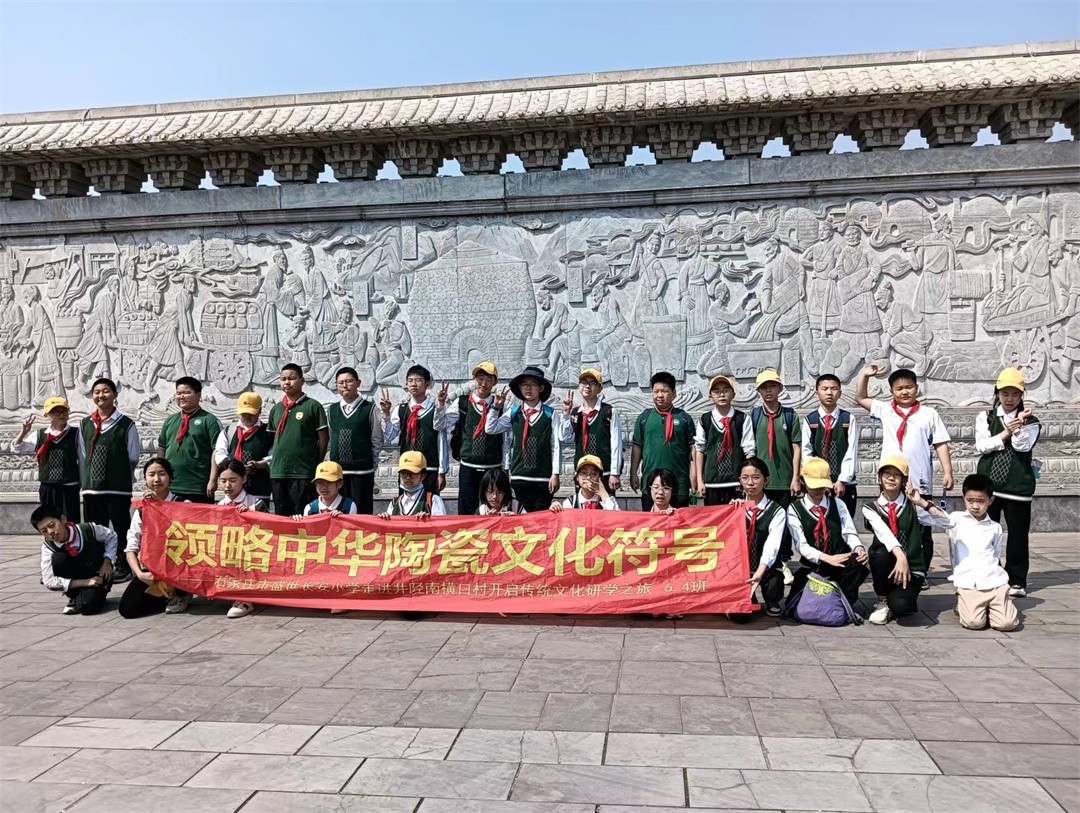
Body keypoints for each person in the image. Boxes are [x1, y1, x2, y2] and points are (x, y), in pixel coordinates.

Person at [856, 364, 954, 586]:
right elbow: (861, 398)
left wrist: (947, 471)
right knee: (889, 524)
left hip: (919, 481)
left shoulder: (929, 414)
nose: (904, 392)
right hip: (891, 481)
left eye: (908, 387)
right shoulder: (885, 410)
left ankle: (920, 571)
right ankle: (890, 567)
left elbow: (940, 443)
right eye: (899, 388)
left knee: (921, 530)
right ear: (891, 391)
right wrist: (865, 375)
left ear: (917, 388)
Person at [975, 367, 1040, 598]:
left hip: (1017, 488)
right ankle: (989, 574)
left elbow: (1023, 447)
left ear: (1022, 395)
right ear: (997, 393)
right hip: (988, 487)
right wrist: (1006, 433)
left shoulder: (1031, 421)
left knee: (1018, 536)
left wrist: (1019, 426)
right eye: (1005, 393)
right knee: (986, 533)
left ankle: (1017, 580)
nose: (1010, 399)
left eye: (1015, 394)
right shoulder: (986, 417)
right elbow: (983, 446)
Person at [862, 456, 950, 625]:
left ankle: (896, 598)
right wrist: (901, 557)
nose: (891, 478)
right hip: (886, 565)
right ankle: (882, 601)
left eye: (897, 474)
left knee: (902, 608)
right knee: (881, 554)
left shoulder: (913, 506)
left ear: (904, 480)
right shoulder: (871, 508)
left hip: (912, 568)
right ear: (879, 477)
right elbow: (885, 534)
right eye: (887, 473)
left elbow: (948, 523)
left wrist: (921, 502)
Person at [786, 457, 869, 607]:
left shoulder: (838, 504)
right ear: (802, 481)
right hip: (813, 565)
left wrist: (858, 548)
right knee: (795, 606)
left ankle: (844, 604)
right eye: (814, 485)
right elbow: (801, 545)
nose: (818, 489)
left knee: (857, 562)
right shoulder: (795, 509)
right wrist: (827, 558)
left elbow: (849, 532)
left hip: (841, 562)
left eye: (822, 485)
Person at [79, 377, 140, 583]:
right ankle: (97, 565)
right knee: (94, 530)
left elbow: (133, 456)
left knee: (122, 528)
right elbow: (82, 455)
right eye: (97, 392)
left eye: (106, 391)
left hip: (117, 489)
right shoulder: (85, 424)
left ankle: (124, 566)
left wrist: (120, 475)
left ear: (115, 395)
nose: (101, 395)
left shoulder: (126, 424)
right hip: (92, 489)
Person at [945, 474, 1020, 631]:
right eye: (970, 500)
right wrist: (922, 503)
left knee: (1006, 624)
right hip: (968, 582)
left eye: (980, 501)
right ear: (963, 498)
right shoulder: (956, 519)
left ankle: (998, 603)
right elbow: (937, 518)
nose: (975, 506)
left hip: (993, 581)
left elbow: (996, 554)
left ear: (990, 501)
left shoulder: (995, 527)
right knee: (974, 623)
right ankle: (963, 600)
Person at [484, 366, 562, 512]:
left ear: (541, 388)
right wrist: (495, 407)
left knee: (541, 519)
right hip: (519, 477)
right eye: (524, 384)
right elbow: (490, 428)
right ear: (520, 388)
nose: (528, 388)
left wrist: (555, 473)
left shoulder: (550, 414)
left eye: (532, 384)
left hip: (543, 478)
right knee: (522, 519)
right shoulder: (514, 412)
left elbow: (556, 445)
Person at [119, 457, 190, 618]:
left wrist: (159, 507)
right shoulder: (141, 510)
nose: (157, 479)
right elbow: (131, 547)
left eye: (162, 474)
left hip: (178, 567)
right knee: (127, 609)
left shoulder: (184, 504)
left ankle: (182, 593)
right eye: (151, 475)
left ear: (170, 477)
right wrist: (139, 573)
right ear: (145, 479)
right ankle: (166, 597)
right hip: (152, 570)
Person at [30, 504, 116, 616]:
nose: (50, 532)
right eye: (44, 531)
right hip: (78, 581)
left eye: (52, 525)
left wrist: (107, 562)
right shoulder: (48, 547)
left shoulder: (88, 529)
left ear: (63, 519)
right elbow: (49, 581)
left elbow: (111, 537)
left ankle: (98, 592)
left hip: (97, 574)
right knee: (58, 559)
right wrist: (86, 582)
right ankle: (75, 596)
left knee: (88, 606)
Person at [268, 364, 329, 517]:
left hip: (303, 472)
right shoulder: (276, 409)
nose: (287, 382)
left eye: (291, 378)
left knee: (303, 516)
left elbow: (323, 437)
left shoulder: (312, 406)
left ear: (302, 381)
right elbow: (272, 440)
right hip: (279, 473)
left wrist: (318, 462)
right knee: (281, 518)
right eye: (283, 379)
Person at [214, 459, 271, 620]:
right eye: (223, 481)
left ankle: (244, 599)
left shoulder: (255, 502)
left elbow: (271, 529)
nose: (227, 485)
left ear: (244, 479)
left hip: (252, 553)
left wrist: (251, 515)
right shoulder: (220, 505)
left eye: (233, 480)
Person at [380, 365, 449, 496]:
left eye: (418, 380)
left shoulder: (436, 409)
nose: (413, 384)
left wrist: (442, 472)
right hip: (407, 469)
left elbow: (441, 441)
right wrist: (386, 413)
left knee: (429, 504)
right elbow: (390, 435)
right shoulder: (401, 409)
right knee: (407, 504)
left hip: (429, 468)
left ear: (427, 384)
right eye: (410, 380)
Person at [630, 372, 696, 510]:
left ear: (674, 393)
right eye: (656, 391)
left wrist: (694, 475)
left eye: (665, 391)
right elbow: (637, 447)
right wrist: (633, 473)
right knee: (651, 522)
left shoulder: (684, 418)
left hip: (679, 484)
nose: (660, 395)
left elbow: (692, 449)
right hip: (651, 485)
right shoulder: (644, 418)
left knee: (678, 522)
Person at [10, 396, 81, 522]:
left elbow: (83, 458)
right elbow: (17, 449)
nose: (61, 414)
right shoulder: (40, 434)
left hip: (69, 487)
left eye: (64, 411)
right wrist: (23, 433)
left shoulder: (76, 434)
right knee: (49, 521)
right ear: (47, 415)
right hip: (48, 487)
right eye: (56, 412)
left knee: (70, 521)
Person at [447, 362, 503, 516]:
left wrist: (506, 466)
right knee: (466, 510)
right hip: (468, 466)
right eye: (480, 379)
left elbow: (507, 439)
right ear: (474, 378)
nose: (484, 384)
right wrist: (440, 404)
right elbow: (441, 424)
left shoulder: (501, 405)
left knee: (493, 510)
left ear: (495, 382)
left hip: (493, 466)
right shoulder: (463, 402)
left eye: (489, 380)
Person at [326, 366, 383, 515]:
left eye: (349, 381)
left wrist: (371, 462)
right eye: (340, 383)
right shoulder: (331, 410)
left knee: (361, 513)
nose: (344, 385)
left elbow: (377, 439)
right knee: (339, 513)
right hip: (338, 473)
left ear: (358, 383)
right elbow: (331, 438)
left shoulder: (370, 409)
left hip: (362, 471)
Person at [156, 377, 222, 503]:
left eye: (186, 393)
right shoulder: (170, 420)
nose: (181, 396)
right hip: (172, 486)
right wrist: (159, 475)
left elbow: (217, 451)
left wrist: (213, 480)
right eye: (178, 393)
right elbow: (162, 448)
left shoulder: (209, 420)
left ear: (198, 395)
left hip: (198, 487)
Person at [802, 373, 859, 516]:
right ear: (816, 393)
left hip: (844, 484)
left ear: (840, 393)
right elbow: (806, 452)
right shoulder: (810, 420)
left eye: (834, 389)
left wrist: (842, 480)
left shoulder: (848, 419)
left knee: (845, 522)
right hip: (817, 485)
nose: (829, 393)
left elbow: (851, 451)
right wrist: (820, 480)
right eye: (824, 389)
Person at [561, 368, 624, 495]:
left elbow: (616, 443)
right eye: (584, 382)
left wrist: (615, 473)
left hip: (604, 472)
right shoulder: (575, 413)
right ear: (579, 386)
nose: (587, 386)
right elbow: (564, 437)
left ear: (599, 388)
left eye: (592, 383)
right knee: (584, 506)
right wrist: (566, 414)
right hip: (582, 473)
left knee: (606, 505)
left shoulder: (608, 412)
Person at [694, 374, 753, 506]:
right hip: (711, 483)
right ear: (710, 396)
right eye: (717, 391)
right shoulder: (705, 420)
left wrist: (747, 480)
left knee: (737, 516)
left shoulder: (742, 419)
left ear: (733, 394)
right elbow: (699, 450)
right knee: (713, 517)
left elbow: (749, 451)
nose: (721, 394)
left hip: (736, 483)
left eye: (726, 390)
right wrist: (700, 481)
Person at [738, 457, 787, 616]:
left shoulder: (777, 511)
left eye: (756, 477)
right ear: (740, 480)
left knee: (774, 584)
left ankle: (772, 600)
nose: (750, 483)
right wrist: (730, 511)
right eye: (745, 478)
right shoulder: (735, 508)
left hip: (766, 569)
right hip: (741, 570)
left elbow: (772, 545)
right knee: (740, 616)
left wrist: (759, 572)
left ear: (766, 480)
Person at [214, 391, 273, 507]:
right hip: (233, 492)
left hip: (258, 489)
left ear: (260, 411)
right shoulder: (229, 431)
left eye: (251, 413)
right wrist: (233, 468)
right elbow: (219, 452)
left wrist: (257, 465)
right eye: (244, 413)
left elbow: (275, 456)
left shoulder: (268, 433)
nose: (248, 417)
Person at [379, 452, 448, 518]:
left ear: (423, 476)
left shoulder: (433, 501)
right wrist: (385, 520)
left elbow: (440, 524)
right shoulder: (394, 503)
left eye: (413, 473)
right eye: (404, 473)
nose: (408, 477)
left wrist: (428, 521)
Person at [550, 455, 619, 511]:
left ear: (600, 478)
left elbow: (616, 519)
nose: (588, 477)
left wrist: (603, 493)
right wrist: (556, 508)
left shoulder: (609, 499)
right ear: (577, 477)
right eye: (584, 473)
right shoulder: (570, 502)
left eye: (593, 473)